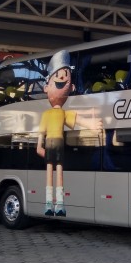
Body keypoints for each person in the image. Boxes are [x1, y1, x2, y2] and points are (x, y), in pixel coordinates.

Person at [36, 50, 103, 216]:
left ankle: (59, 204)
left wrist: (91, 124)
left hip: (57, 147)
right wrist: (40, 149)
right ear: (46, 87)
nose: (63, 82)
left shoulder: (63, 114)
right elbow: (40, 138)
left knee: (58, 175)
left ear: (72, 86)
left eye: (66, 79)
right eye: (57, 78)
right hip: (51, 146)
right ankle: (48, 204)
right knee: (51, 176)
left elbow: (78, 119)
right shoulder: (46, 115)